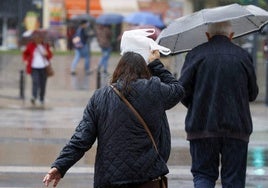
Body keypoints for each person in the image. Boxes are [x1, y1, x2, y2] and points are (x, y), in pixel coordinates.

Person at [43, 29, 185, 188]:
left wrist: (60, 166)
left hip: (110, 180)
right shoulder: (154, 89)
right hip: (147, 178)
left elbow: (81, 138)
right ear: (146, 66)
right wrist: (156, 64)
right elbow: (178, 90)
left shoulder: (100, 97)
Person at [179, 21, 259, 188]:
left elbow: (181, 91)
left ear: (208, 36)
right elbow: (252, 93)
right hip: (236, 128)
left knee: (203, 175)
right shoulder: (243, 56)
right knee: (234, 180)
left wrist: (198, 105)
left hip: (202, 127)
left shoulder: (195, 54)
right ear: (231, 35)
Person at [23, 30, 53, 106]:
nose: (38, 39)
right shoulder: (30, 45)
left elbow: (50, 56)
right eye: (36, 37)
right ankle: (34, 96)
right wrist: (26, 60)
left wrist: (47, 54)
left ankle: (41, 98)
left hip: (44, 67)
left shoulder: (45, 45)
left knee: (43, 84)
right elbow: (25, 54)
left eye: (39, 37)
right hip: (34, 67)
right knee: (35, 82)